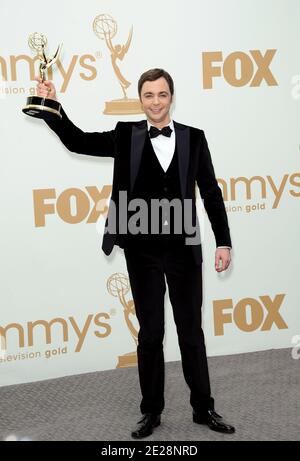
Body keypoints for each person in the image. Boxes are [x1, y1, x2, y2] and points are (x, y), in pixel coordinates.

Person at [35, 68, 235, 438]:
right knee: (151, 333)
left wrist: (224, 241)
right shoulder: (127, 135)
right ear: (140, 99)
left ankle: (203, 408)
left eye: (162, 95)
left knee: (191, 331)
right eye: (149, 95)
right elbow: (78, 141)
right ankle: (151, 412)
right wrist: (51, 106)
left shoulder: (195, 138)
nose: (155, 102)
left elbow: (210, 192)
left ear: (171, 97)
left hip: (183, 246)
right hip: (141, 250)